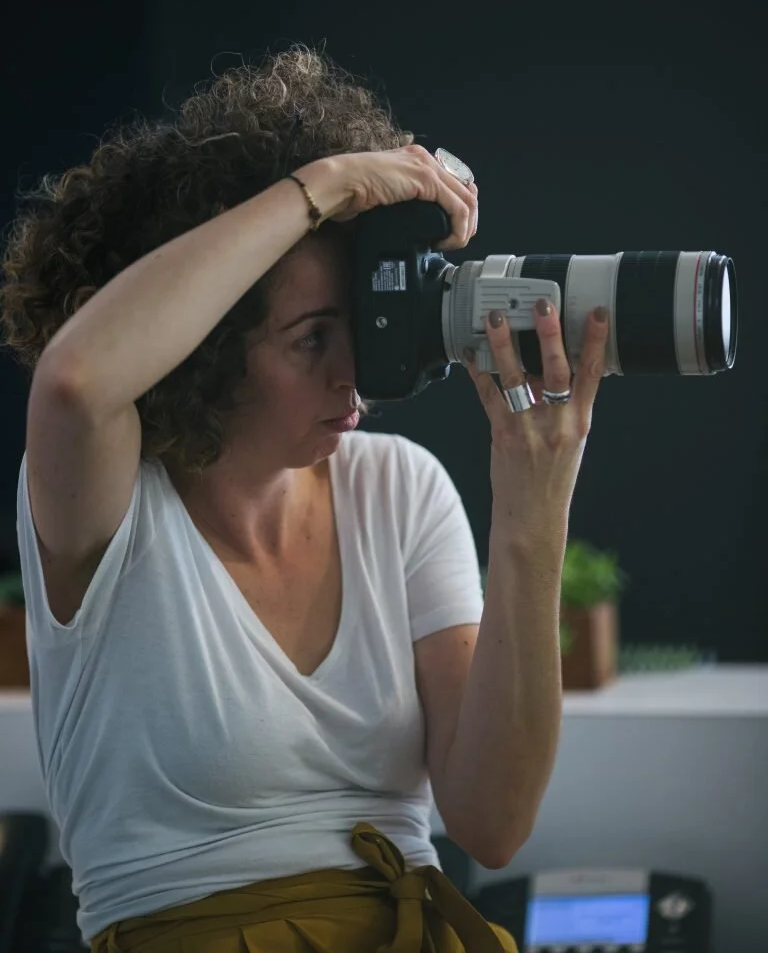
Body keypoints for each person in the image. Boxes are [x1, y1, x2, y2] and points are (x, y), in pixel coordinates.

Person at [0, 46, 609, 952]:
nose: (353, 370)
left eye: (357, 325)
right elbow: (77, 380)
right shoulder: (111, 502)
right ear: (204, 346)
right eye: (310, 338)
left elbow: (492, 821)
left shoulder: (398, 489)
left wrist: (532, 509)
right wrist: (320, 186)